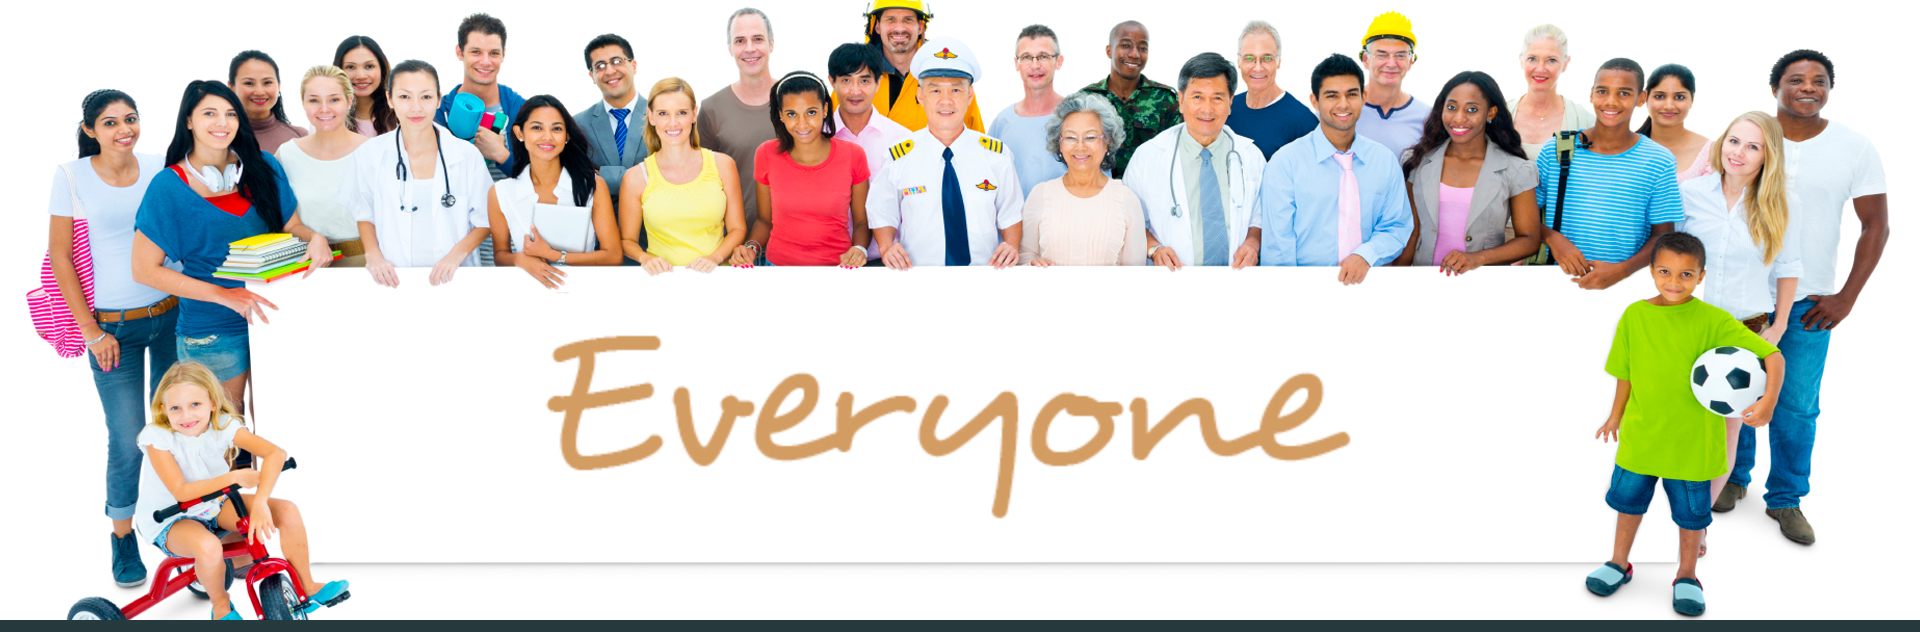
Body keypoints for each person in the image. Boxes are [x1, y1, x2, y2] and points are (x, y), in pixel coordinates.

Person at [1720, 50, 1890, 546]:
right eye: (1796, 79)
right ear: (1775, 87)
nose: (1808, 87)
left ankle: (1787, 498)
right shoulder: (1749, 138)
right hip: (1742, 296)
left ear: (1829, 89)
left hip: (1809, 302)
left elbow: (1876, 225)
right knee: (1737, 391)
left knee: (1796, 404)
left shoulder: (1854, 148)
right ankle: (1733, 476)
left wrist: (1848, 297)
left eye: (1819, 80)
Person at [1586, 232, 1783, 617]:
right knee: (1628, 506)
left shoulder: (1713, 321)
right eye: (1665, 272)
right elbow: (1624, 374)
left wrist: (1769, 401)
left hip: (1694, 445)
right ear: (1651, 271)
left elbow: (1772, 355)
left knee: (1692, 518)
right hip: (1641, 440)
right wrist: (1614, 415)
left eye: (1686, 275)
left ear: (1701, 276)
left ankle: (1687, 576)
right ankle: (1618, 563)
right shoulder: (1635, 316)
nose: (1674, 282)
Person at [49, 89, 176, 588]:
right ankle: (123, 537)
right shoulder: (71, 177)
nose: (124, 129)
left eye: (131, 119)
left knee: (178, 429)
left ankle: (181, 522)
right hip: (112, 331)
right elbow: (61, 257)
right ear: (90, 130)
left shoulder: (158, 165)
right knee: (128, 438)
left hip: (170, 315)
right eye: (109, 123)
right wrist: (90, 330)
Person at [130, 80, 299, 411]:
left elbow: (292, 227)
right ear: (189, 121)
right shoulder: (168, 187)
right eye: (210, 113)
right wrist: (224, 294)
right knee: (227, 435)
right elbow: (143, 270)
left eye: (231, 114)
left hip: (275, 317)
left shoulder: (263, 167)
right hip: (212, 330)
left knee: (278, 423)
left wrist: (316, 239)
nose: (222, 123)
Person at [1677, 111, 1801, 556]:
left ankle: (1697, 526)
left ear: (1768, 155)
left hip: (1744, 333)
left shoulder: (1781, 203)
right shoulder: (1690, 194)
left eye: (1752, 146)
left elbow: (1787, 270)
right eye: (1733, 141)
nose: (1739, 153)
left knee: (1723, 437)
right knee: (1684, 432)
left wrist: (1780, 324)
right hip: (1689, 326)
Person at [135, 362, 349, 620]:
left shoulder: (222, 424)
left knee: (287, 510)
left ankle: (308, 585)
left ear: (212, 403)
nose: (186, 416)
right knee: (208, 546)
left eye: (195, 405)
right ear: (163, 410)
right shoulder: (157, 437)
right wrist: (233, 476)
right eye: (176, 408)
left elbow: (275, 453)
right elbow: (181, 492)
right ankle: (222, 607)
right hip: (170, 517)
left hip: (212, 506)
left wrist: (260, 503)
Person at [866, 38, 1023, 269]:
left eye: (956, 90)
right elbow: (882, 211)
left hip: (984, 274)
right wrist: (887, 247)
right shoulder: (899, 156)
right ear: (920, 96)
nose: (946, 100)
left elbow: (1010, 214)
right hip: (917, 274)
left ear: (969, 96)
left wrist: (1011, 246)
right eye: (935, 89)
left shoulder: (996, 156)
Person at [1258, 54, 1411, 284]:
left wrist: (1366, 255)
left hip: (1370, 285)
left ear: (1363, 97)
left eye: (1351, 94)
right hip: (1305, 290)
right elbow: (1278, 247)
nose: (1343, 104)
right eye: (1332, 96)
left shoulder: (1385, 161)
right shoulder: (1285, 164)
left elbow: (1397, 226)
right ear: (1315, 101)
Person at [342, 60, 496, 287]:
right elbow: (364, 213)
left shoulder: (466, 155)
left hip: (455, 278)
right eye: (405, 97)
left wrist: (454, 257)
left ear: (438, 99)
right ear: (390, 99)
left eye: (425, 97)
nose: (416, 107)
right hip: (393, 276)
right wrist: (373, 256)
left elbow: (486, 220)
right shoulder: (370, 154)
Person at [1535, 58, 1683, 290]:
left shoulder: (1659, 161)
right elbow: (1526, 217)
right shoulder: (1557, 150)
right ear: (1592, 94)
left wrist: (1622, 270)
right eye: (1603, 91)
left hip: (1623, 285)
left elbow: (1662, 237)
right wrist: (1553, 239)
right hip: (1556, 282)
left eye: (1624, 93)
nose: (1611, 101)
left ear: (1641, 99)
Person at [1122, 52, 1266, 271]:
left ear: (1230, 103)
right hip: (1171, 279)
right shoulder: (1147, 157)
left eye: (1217, 98)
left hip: (1236, 279)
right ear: (1181, 101)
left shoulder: (1251, 156)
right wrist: (1154, 249)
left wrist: (1253, 242)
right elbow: (1127, 219)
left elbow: (1260, 215)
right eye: (1197, 97)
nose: (1207, 109)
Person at [1392, 71, 1541, 272]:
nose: (1459, 118)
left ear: (1491, 113)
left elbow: (1530, 239)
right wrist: (1393, 277)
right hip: (1424, 281)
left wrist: (1477, 258)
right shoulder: (1416, 162)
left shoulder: (1516, 169)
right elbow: (1412, 231)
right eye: (1451, 107)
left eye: (1472, 109)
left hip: (1484, 284)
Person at [728, 72, 871, 268]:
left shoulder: (853, 154)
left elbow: (862, 222)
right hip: (778, 266)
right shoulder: (766, 153)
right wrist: (751, 248)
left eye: (811, 112)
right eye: (792, 114)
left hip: (838, 268)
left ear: (825, 109)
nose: (802, 123)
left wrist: (860, 249)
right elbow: (764, 220)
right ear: (781, 115)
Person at [617, 77, 750, 275]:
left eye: (681, 113)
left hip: (717, 276)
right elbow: (627, 241)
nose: (673, 123)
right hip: (662, 279)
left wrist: (715, 258)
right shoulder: (635, 177)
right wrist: (645, 258)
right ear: (651, 117)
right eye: (663, 113)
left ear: (694, 114)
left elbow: (738, 229)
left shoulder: (723, 165)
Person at [488, 95, 623, 288]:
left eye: (557, 128)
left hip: (584, 292)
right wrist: (519, 260)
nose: (547, 136)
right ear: (519, 133)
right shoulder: (500, 192)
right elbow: (500, 256)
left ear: (567, 135)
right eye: (537, 127)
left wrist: (555, 256)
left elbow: (614, 256)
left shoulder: (592, 186)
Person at [1019, 94, 1146, 266]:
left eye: (1090, 137)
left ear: (1107, 140)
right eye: (1071, 138)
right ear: (1060, 143)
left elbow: (1136, 274)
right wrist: (1031, 265)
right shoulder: (1041, 195)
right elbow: (1024, 254)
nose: (1080, 146)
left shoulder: (1126, 200)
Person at [699, 8, 780, 237]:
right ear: (730, 48)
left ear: (771, 44)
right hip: (734, 244)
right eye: (740, 41)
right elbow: (703, 182)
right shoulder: (711, 108)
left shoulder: (797, 100)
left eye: (758, 39)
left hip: (792, 244)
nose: (750, 48)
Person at [281, 66, 372, 268]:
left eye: (334, 99)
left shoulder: (372, 152)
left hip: (365, 263)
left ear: (349, 102)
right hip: (304, 263)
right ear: (303, 103)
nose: (324, 109)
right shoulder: (286, 155)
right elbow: (287, 222)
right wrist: (314, 237)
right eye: (314, 100)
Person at [828, 42, 911, 264]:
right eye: (846, 80)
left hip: (889, 261)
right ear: (832, 82)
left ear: (878, 83)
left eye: (864, 80)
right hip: (829, 260)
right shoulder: (818, 138)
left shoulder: (902, 140)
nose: (855, 91)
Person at [861, 0, 985, 132]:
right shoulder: (854, 76)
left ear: (920, 26)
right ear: (877, 26)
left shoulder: (950, 74)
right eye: (891, 19)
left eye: (907, 20)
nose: (899, 28)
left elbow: (976, 142)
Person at [1079, 20, 1179, 178]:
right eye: (1125, 45)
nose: (1134, 54)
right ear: (1109, 50)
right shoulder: (1087, 99)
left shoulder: (1165, 99)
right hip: (1099, 193)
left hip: (1149, 194)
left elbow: (1176, 154)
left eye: (1142, 48)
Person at [434, 13, 523, 182]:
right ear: (459, 52)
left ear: (503, 54)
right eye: (476, 52)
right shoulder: (438, 112)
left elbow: (540, 179)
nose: (485, 62)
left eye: (494, 53)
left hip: (508, 208)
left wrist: (502, 155)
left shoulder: (523, 110)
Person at [989, 25, 1070, 199]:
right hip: (1014, 225)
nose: (1035, 65)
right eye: (1026, 57)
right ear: (1016, 64)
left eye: (1043, 56)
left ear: (1059, 61)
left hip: (1068, 223)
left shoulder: (1077, 117)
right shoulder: (1001, 123)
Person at [574, 34, 651, 204]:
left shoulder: (662, 115)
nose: (609, 71)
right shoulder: (578, 125)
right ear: (592, 76)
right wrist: (642, 175)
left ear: (634, 65)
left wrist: (606, 176)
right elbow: (580, 180)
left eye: (617, 62)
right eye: (600, 66)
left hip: (655, 226)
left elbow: (672, 174)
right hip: (601, 226)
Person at [1225, 20, 1316, 160]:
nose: (1258, 67)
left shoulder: (1302, 121)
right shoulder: (1227, 108)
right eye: (1249, 58)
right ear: (1239, 61)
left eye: (1267, 58)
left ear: (1278, 61)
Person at [1509, 24, 1595, 160]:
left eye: (1551, 60)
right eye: (1532, 59)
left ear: (1565, 63)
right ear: (1521, 60)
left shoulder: (1585, 121)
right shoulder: (1501, 114)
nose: (1541, 69)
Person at [1352, 12, 1429, 165]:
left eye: (1400, 55)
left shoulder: (1427, 117)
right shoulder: (1341, 109)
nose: (1391, 64)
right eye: (1382, 55)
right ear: (1366, 60)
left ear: (1410, 61)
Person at [1638, 64, 1712, 181]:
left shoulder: (1710, 153)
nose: (1669, 105)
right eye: (1659, 96)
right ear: (1645, 99)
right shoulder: (1625, 147)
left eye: (1679, 97)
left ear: (1691, 101)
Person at [228, 50, 308, 154]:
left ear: (279, 86)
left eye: (267, 82)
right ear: (231, 87)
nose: (259, 92)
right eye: (249, 83)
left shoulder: (300, 136)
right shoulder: (221, 135)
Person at [333, 36, 396, 136]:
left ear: (382, 69)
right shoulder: (327, 117)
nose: (361, 76)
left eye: (369, 66)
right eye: (350, 67)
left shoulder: (400, 115)